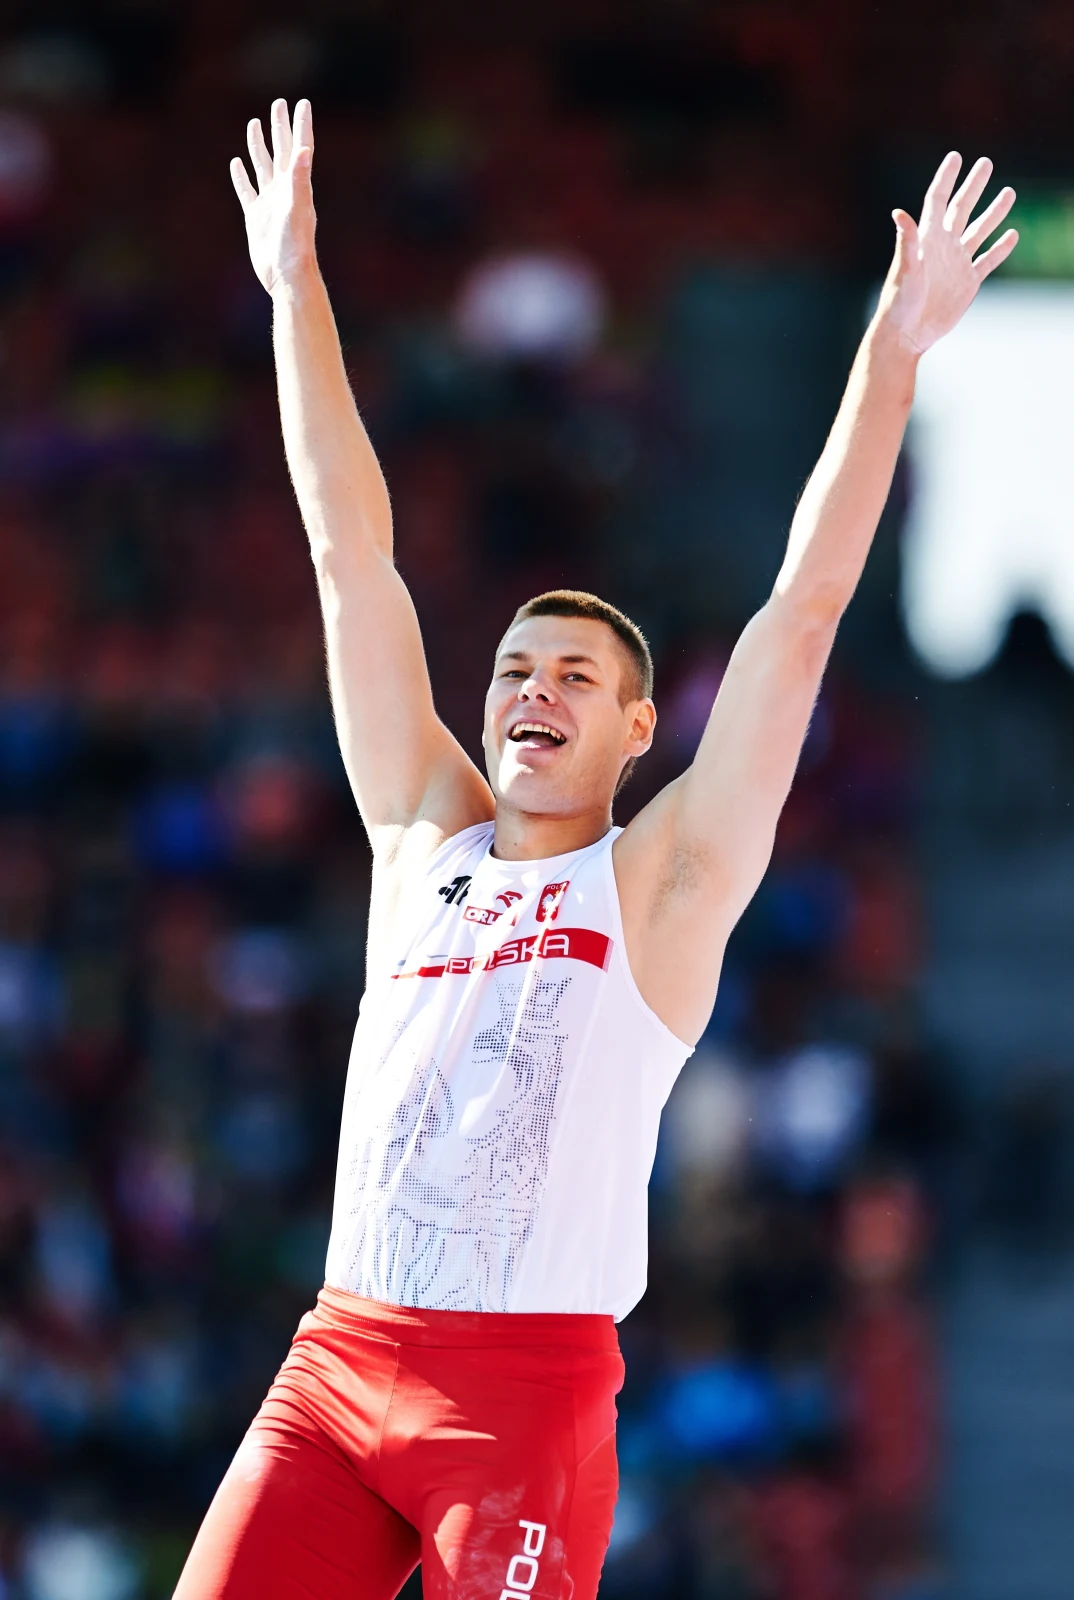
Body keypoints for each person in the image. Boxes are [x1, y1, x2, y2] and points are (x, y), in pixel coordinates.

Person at [175, 98, 1017, 1600]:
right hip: (336, 1362)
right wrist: (294, 286)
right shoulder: (419, 838)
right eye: (513, 668)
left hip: (518, 1401)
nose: (532, 690)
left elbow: (800, 615)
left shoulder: (658, 883)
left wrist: (891, 355)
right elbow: (349, 557)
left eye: (573, 675)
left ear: (638, 729)